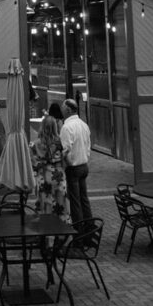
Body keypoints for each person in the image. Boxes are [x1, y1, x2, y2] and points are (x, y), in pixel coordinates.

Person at [32, 102, 70, 221]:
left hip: (44, 177)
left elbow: (34, 164)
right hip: (59, 176)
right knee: (60, 204)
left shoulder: (37, 144)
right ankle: (62, 231)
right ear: (55, 126)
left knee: (45, 204)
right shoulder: (60, 142)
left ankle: (46, 232)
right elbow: (66, 161)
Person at [60, 97, 92, 233]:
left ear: (68, 109)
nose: (61, 110)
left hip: (73, 167)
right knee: (84, 199)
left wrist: (65, 164)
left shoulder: (67, 127)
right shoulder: (84, 125)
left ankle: (79, 230)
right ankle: (89, 228)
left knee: (75, 201)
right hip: (84, 165)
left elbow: (65, 149)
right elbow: (88, 145)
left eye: (62, 107)